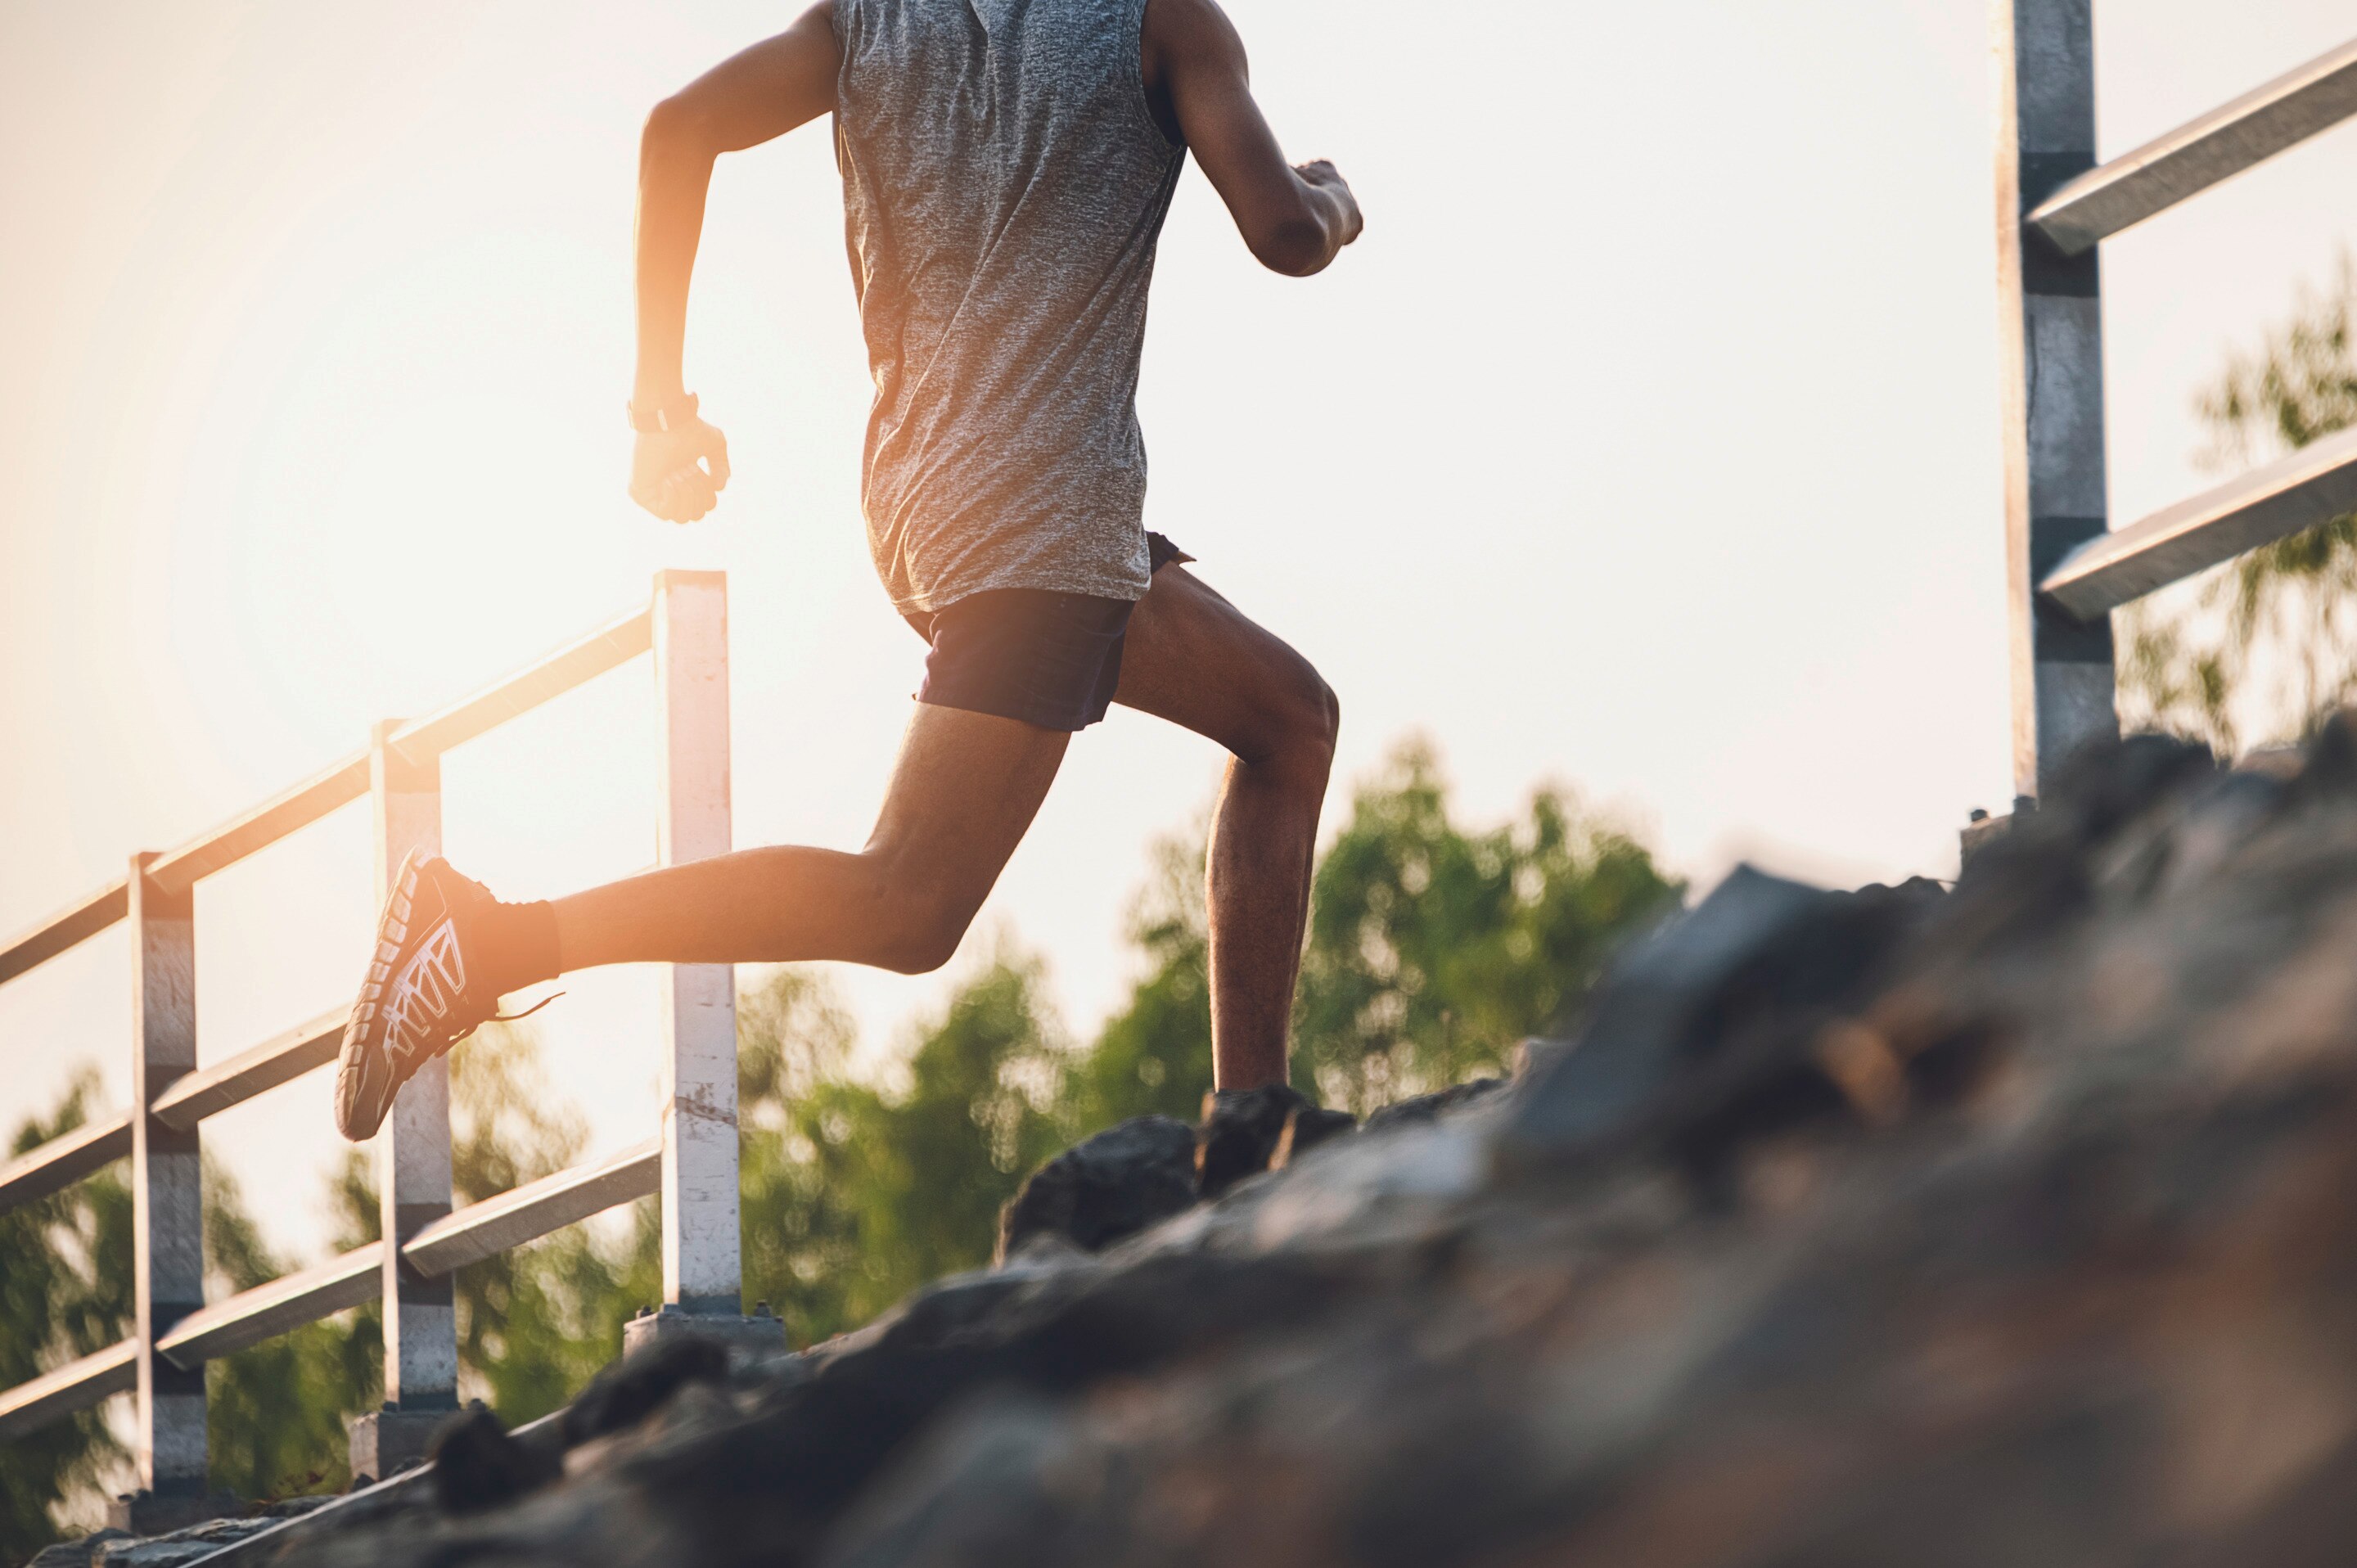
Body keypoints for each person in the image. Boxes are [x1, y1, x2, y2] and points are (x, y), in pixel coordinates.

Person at [332, 0, 1361, 1142]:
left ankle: (1250, 1125)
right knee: (909, 903)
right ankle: (487, 940)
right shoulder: (1162, 21)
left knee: (1288, 717)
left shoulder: (869, 16)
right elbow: (1283, 234)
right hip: (1040, 522)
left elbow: (679, 129)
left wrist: (657, 412)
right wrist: (1333, 198)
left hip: (927, 507)